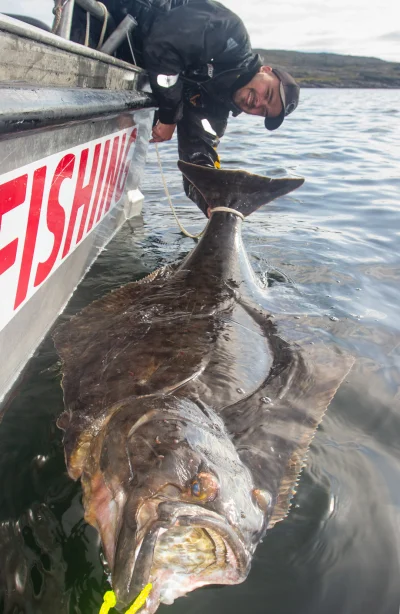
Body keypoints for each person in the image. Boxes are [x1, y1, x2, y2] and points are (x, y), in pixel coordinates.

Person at [71, 0, 300, 216]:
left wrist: (214, 203)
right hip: (109, 17)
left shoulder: (214, 112)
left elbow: (198, 161)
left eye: (263, 112)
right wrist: (169, 117)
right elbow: (163, 44)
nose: (257, 103)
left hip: (118, 72)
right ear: (265, 70)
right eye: (267, 94)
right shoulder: (229, 34)